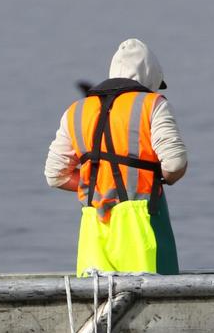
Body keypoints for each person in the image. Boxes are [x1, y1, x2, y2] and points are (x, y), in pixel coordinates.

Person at [44, 39, 188, 276]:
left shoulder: (76, 110)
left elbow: (55, 176)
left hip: (94, 229)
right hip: (142, 226)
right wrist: (157, 178)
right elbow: (174, 164)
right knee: (156, 306)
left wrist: (98, 183)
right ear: (151, 77)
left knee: (97, 305)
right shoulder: (153, 104)